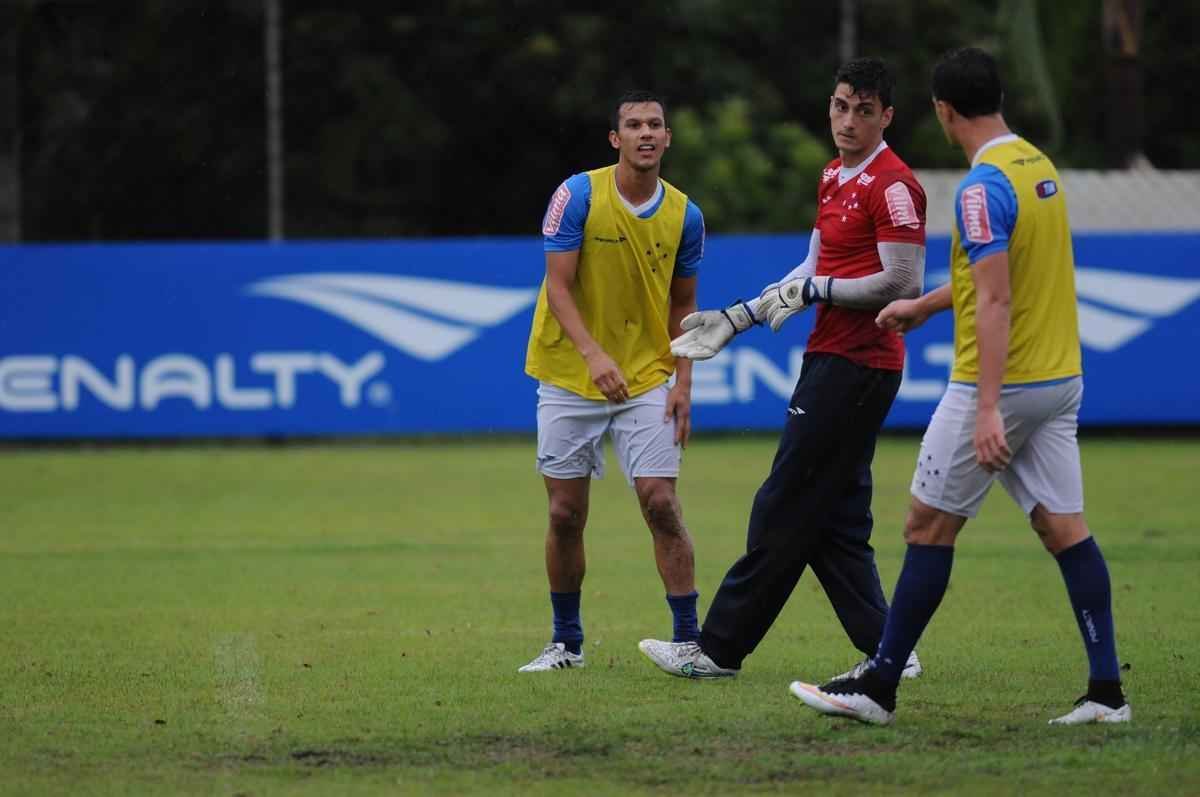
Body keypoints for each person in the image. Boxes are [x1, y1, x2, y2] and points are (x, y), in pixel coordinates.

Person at [790, 47, 1130, 725]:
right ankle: (1106, 694)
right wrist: (926, 304)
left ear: (943, 111)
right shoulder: (1037, 166)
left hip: (1000, 383)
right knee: (1064, 528)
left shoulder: (980, 189)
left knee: (926, 524)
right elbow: (999, 274)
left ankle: (880, 685)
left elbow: (997, 298)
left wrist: (987, 407)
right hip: (1060, 378)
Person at [638, 57, 927, 680]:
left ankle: (718, 651)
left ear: (886, 116)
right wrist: (738, 317)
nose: (848, 121)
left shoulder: (894, 185)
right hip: (832, 356)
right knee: (837, 520)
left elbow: (904, 283)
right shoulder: (832, 175)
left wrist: (819, 290)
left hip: (859, 365)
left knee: (781, 506)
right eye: (841, 106)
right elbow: (812, 265)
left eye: (864, 111)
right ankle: (889, 650)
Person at [518, 90, 707, 672]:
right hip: (569, 372)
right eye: (634, 124)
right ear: (615, 138)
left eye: (655, 124)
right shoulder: (576, 195)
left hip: (645, 375)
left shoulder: (686, 215)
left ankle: (690, 641)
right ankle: (566, 644)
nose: (645, 133)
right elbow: (558, 287)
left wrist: (683, 382)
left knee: (661, 502)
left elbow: (684, 307)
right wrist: (593, 354)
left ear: (667, 138)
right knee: (564, 514)